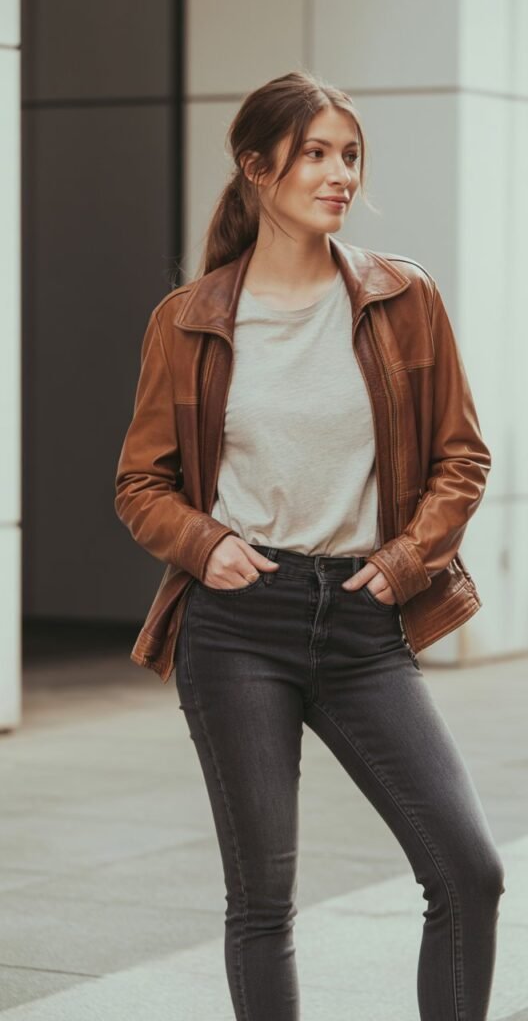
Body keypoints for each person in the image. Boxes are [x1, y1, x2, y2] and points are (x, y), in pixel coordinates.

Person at [115, 69, 505, 1021]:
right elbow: (141, 483)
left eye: (350, 155)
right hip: (240, 626)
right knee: (262, 905)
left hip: (367, 622)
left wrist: (406, 560)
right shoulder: (191, 318)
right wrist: (204, 546)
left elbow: (462, 455)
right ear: (257, 168)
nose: (340, 176)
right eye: (317, 154)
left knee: (469, 873)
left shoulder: (401, 297)